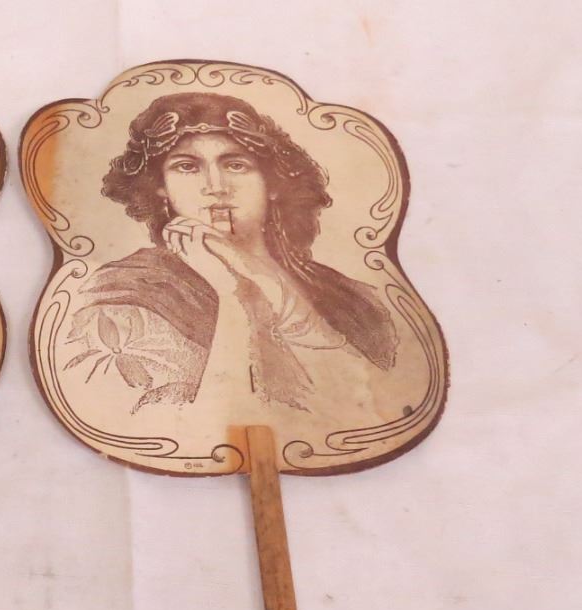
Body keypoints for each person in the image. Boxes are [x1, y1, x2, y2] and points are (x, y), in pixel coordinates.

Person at [65, 92, 399, 422]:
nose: (216, 186)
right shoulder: (128, 294)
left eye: (236, 165)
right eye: (187, 167)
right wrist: (232, 292)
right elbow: (181, 425)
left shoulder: (352, 299)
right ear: (160, 186)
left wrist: (266, 282)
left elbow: (373, 409)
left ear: (273, 183)